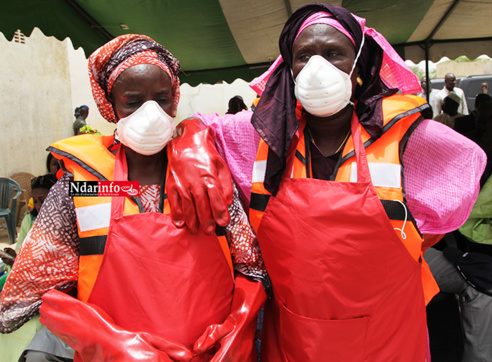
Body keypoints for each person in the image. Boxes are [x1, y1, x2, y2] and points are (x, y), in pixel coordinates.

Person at [166, 4, 486, 360]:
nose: (318, 67)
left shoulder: (409, 138)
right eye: (304, 56)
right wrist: (191, 147)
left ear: (358, 64)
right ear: (289, 67)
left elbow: (442, 217)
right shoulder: (263, 136)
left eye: (334, 53)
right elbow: (196, 126)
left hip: (387, 338)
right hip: (295, 338)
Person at [0, 34, 268, 361]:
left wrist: (238, 327)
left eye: (162, 98)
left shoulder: (207, 175)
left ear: (175, 99)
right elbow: (30, 297)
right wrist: (101, 338)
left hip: (208, 354)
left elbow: (252, 267)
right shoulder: (85, 186)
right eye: (133, 101)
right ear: (110, 105)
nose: (151, 113)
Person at [0, 174, 73, 362]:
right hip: (29, 289)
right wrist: (15, 261)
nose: (40, 206)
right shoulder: (29, 222)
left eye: (45, 200)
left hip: (55, 294)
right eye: (36, 200)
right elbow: (23, 258)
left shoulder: (70, 225)